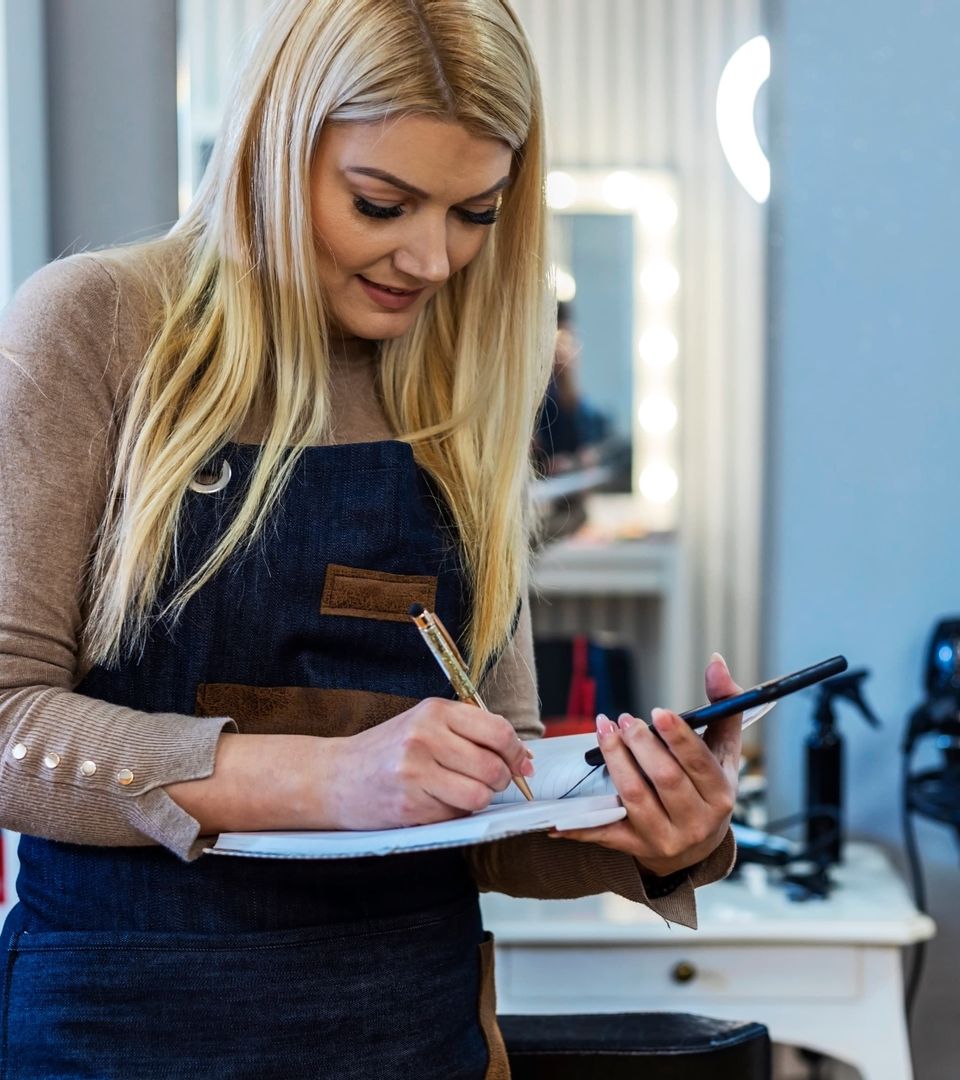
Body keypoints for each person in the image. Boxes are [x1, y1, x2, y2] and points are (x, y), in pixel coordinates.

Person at [0, 1, 743, 1076]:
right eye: (381, 203)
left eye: (475, 213)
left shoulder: (468, 388)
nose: (434, 258)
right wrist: (329, 782)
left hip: (409, 1030)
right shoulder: (95, 327)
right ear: (274, 147)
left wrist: (662, 837)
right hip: (120, 1025)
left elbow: (488, 804)